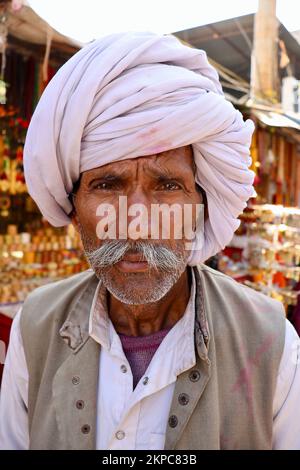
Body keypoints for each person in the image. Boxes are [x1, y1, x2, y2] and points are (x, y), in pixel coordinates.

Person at [0, 31, 299, 450]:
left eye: (166, 186)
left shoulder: (272, 344)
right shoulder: (35, 328)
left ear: (200, 202)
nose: (137, 223)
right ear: (73, 204)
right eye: (107, 184)